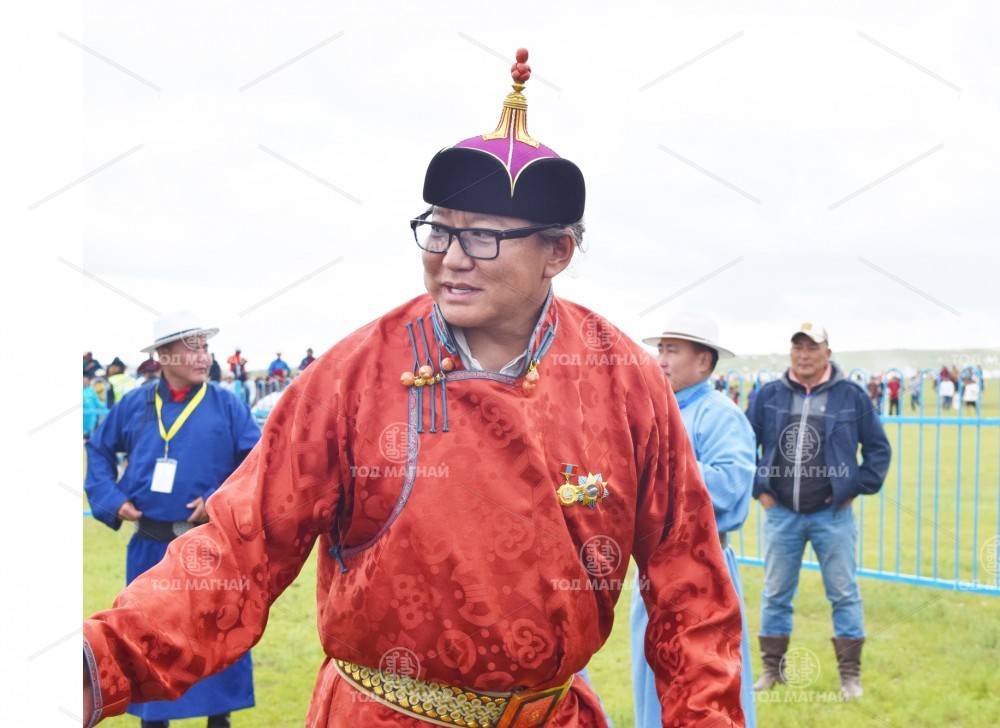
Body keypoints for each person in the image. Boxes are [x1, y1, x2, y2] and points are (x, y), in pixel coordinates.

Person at [83, 50, 745, 727]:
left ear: (557, 252)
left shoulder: (623, 378)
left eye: (482, 237)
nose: (450, 258)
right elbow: (237, 547)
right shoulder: (354, 373)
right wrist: (94, 663)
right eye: (439, 230)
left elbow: (691, 586)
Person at [84, 311, 262, 727]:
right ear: (164, 356)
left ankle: (219, 720)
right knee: (148, 639)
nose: (204, 357)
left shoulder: (227, 405)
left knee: (216, 639)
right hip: (150, 549)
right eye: (192, 348)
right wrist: (112, 499)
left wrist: (217, 499)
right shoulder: (134, 404)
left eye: (206, 348)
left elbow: (256, 461)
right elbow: (99, 450)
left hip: (210, 551)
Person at [746, 322, 891, 700]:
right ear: (790, 351)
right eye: (798, 347)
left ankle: (850, 677)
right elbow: (744, 444)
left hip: (833, 517)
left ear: (828, 352)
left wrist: (852, 488)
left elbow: (878, 450)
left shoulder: (851, 397)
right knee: (775, 593)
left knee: (844, 593)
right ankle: (772, 671)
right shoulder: (769, 395)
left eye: (813, 347)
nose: (804, 355)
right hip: (781, 514)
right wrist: (760, 490)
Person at [630, 312, 757, 727]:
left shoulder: (720, 414)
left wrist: (657, 469)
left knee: (706, 683)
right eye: (660, 350)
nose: (661, 360)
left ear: (704, 361)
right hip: (652, 568)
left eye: (672, 351)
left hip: (702, 569)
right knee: (653, 678)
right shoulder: (655, 410)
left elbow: (731, 486)